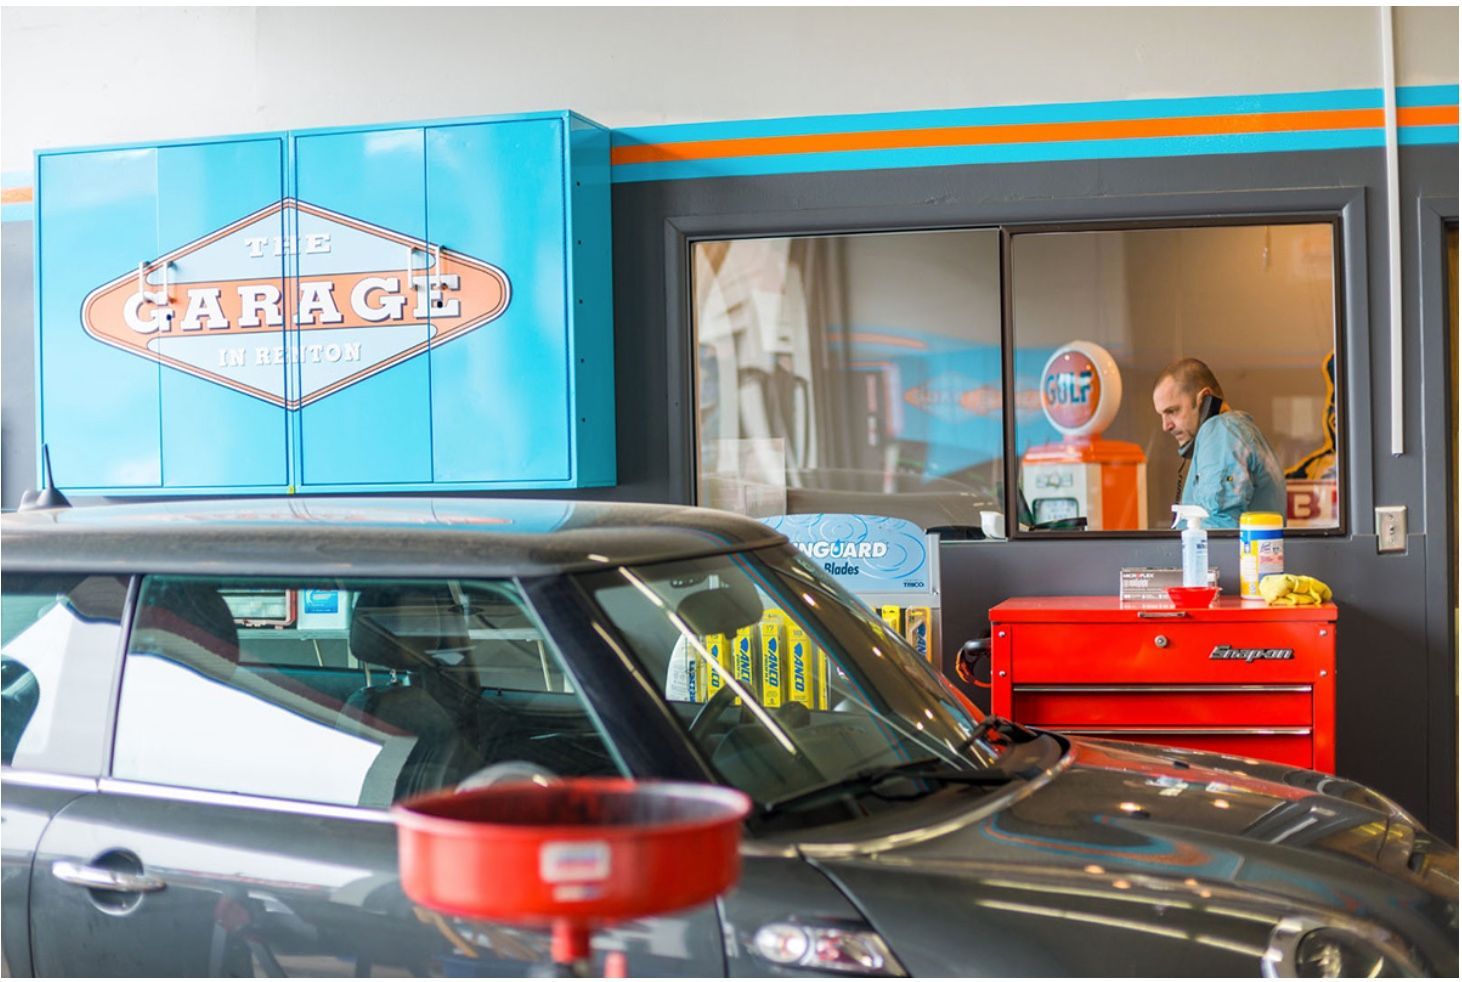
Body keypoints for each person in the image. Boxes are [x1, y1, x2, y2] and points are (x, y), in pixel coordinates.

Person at [1152, 358, 1286, 529]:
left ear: (1205, 398)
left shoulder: (1221, 431)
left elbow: (1220, 528)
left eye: (1172, 411)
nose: (1165, 426)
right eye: (1161, 415)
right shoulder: (1233, 431)